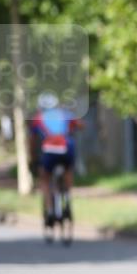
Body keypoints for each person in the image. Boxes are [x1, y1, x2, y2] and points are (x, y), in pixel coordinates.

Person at [29, 92, 81, 224]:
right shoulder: (65, 114)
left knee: (45, 178)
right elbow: (81, 125)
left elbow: (32, 141)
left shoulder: (38, 118)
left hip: (49, 151)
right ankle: (68, 197)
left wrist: (33, 159)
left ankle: (50, 210)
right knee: (68, 170)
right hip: (67, 148)